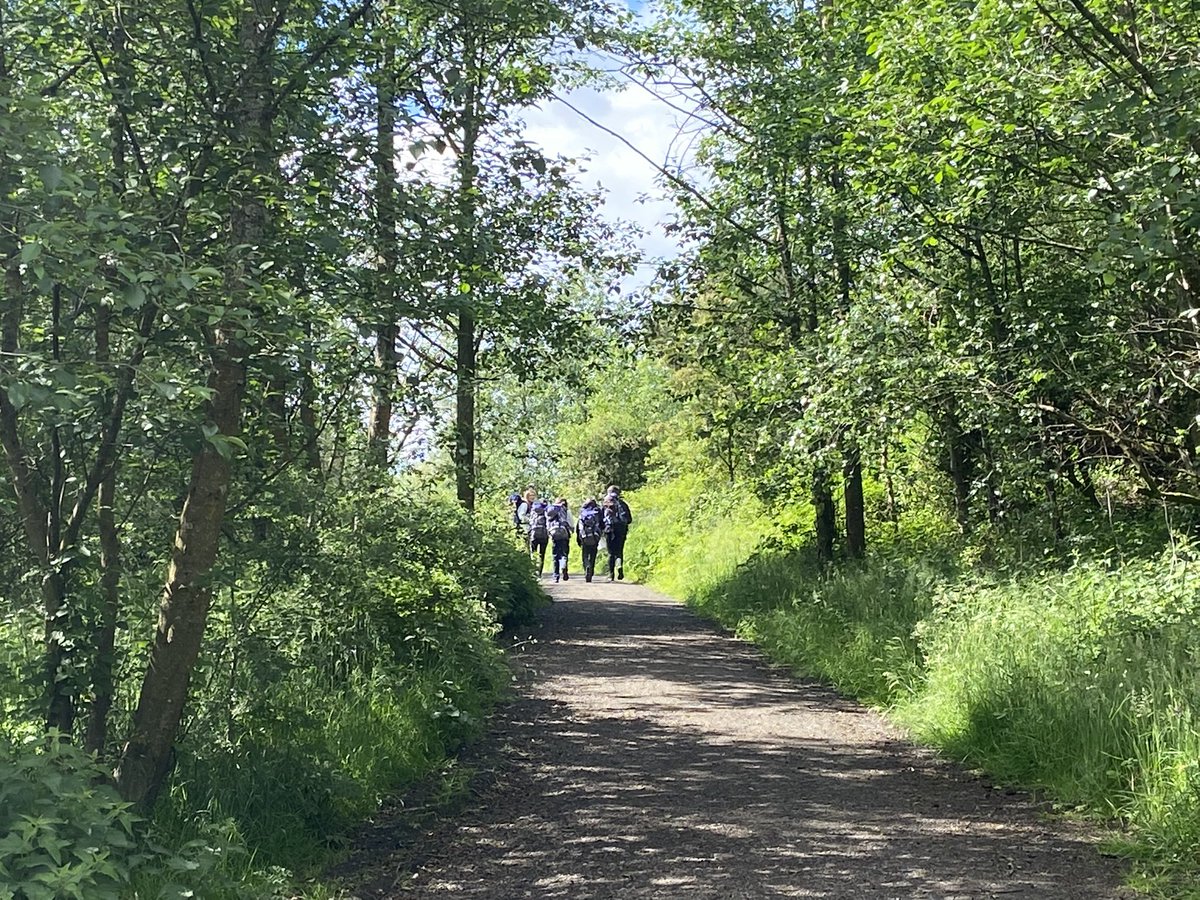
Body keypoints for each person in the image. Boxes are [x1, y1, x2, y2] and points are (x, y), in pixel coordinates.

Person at [602, 485, 633, 582]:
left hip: (609, 529)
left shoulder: (605, 504)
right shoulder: (622, 504)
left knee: (611, 553)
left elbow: (600, 519)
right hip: (621, 529)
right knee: (619, 551)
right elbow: (629, 519)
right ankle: (619, 567)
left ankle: (611, 574)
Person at [576, 497, 603, 582]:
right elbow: (602, 524)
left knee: (585, 554)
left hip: (584, 536)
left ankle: (586, 567)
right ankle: (591, 570)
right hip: (595, 536)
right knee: (593, 554)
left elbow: (578, 527)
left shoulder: (583, 512)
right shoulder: (597, 512)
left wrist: (578, 539)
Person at [547, 497, 574, 583]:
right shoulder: (567, 511)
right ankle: (564, 564)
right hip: (564, 534)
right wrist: (571, 531)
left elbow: (548, 522)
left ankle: (556, 576)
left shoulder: (552, 510)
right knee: (564, 553)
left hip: (554, 534)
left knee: (555, 555)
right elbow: (571, 523)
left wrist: (549, 533)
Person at [527, 498, 550, 576]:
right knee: (542, 554)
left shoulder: (533, 511)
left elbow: (530, 521)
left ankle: (533, 571)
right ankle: (539, 572)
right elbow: (548, 522)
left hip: (534, 534)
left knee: (533, 553)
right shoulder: (546, 511)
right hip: (544, 535)